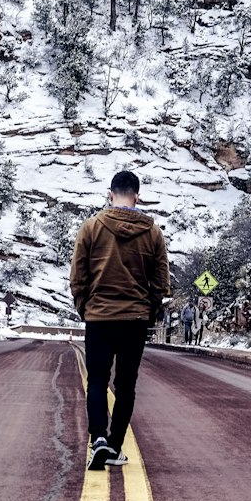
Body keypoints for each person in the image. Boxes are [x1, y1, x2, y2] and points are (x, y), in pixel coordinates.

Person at [70, 169, 170, 470]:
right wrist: (148, 311)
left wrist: (85, 308)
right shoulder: (153, 232)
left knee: (97, 380)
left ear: (110, 194)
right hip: (135, 320)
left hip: (99, 318)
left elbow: (78, 276)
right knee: (126, 385)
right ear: (136, 196)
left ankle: (98, 439)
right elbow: (161, 282)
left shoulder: (91, 227)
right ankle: (113, 446)